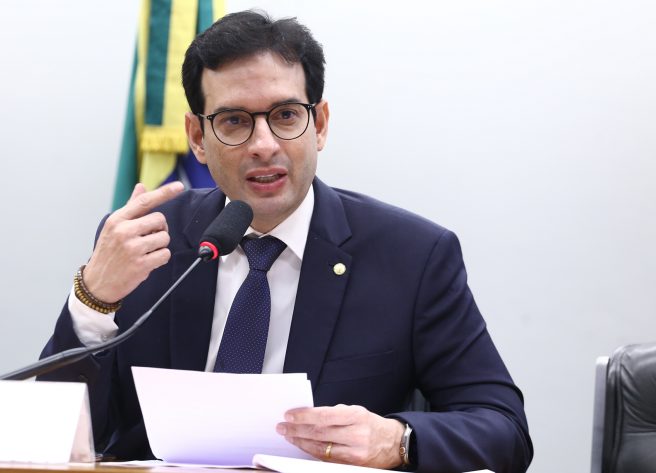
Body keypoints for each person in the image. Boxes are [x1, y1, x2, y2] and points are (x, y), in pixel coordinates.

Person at [40, 10, 533, 472]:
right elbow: (60, 433)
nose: (264, 145)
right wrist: (94, 301)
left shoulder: (412, 256)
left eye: (285, 115)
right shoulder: (148, 241)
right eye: (234, 121)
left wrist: (397, 440)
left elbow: (503, 428)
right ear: (197, 137)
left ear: (319, 125)